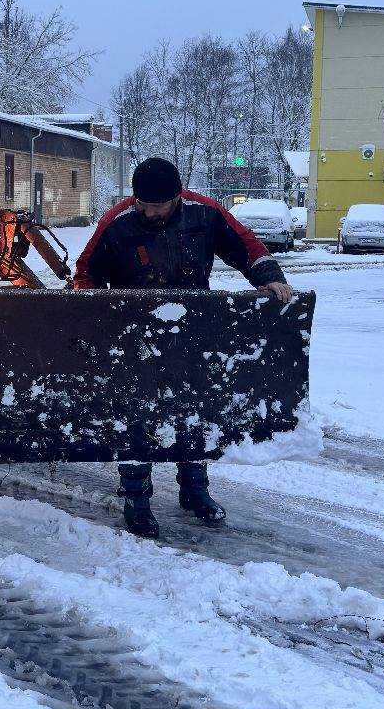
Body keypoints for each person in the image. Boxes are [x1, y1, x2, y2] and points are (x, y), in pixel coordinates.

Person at [73, 157, 295, 538]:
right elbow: (86, 273)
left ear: (177, 197)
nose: (149, 211)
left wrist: (269, 278)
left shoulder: (205, 213)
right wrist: (95, 317)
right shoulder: (117, 222)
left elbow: (247, 247)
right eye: (142, 203)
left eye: (158, 205)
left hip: (194, 330)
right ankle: (137, 500)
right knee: (136, 416)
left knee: (195, 411)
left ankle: (195, 491)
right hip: (135, 336)